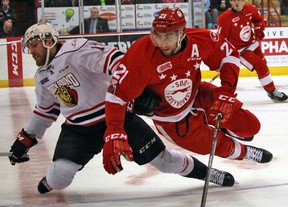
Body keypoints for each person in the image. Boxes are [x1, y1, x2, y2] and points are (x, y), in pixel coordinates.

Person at [8, 22, 236, 195]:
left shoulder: (76, 49)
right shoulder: (42, 77)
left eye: (33, 44)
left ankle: (208, 173)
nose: (31, 51)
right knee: (59, 178)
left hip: (115, 117)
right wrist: (27, 138)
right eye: (28, 47)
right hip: (79, 129)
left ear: (48, 40)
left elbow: (118, 62)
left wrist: (138, 88)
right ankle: (58, 175)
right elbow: (46, 110)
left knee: (164, 161)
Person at [102, 7, 274, 175]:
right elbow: (116, 95)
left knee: (250, 126)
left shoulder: (198, 40)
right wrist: (114, 131)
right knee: (215, 145)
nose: (162, 43)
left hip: (198, 95)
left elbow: (228, 54)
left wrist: (227, 91)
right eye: (157, 36)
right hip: (170, 120)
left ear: (181, 33)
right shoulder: (141, 53)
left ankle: (225, 128)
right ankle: (244, 152)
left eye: (168, 36)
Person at [217, 1, 288, 102]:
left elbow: (259, 20)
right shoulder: (224, 18)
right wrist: (224, 56)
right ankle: (273, 91)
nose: (237, 2)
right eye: (234, 0)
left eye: (239, 0)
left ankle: (269, 90)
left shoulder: (250, 9)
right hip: (240, 50)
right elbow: (221, 40)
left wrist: (259, 28)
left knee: (263, 64)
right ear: (230, 1)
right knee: (260, 65)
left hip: (252, 44)